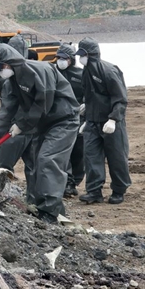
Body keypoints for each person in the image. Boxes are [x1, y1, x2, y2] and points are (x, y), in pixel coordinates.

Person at [0, 42, 79, 223]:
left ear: (8, 63)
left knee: (48, 159)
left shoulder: (41, 70)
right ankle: (45, 208)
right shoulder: (12, 81)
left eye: (1, 67)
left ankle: (49, 214)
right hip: (42, 124)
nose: (1, 71)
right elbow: (7, 110)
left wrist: (22, 124)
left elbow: (43, 103)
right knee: (37, 165)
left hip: (63, 120)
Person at [0, 35, 37, 201]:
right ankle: (34, 202)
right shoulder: (33, 71)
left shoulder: (12, 80)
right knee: (35, 168)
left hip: (15, 130)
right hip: (34, 127)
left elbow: (6, 110)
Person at [75, 37, 130, 204]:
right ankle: (94, 191)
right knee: (91, 156)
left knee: (117, 156)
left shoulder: (109, 71)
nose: (79, 58)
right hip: (92, 121)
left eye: (82, 55)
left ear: (90, 54)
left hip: (111, 122)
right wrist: (86, 115)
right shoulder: (86, 71)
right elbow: (90, 96)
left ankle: (119, 190)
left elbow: (120, 98)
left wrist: (113, 119)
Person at [53, 45, 86, 197]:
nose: (61, 61)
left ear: (71, 60)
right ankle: (67, 182)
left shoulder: (81, 74)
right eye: (58, 58)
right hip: (59, 118)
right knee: (63, 151)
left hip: (79, 118)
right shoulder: (53, 73)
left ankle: (76, 180)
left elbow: (90, 92)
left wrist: (85, 104)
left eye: (64, 58)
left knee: (79, 151)